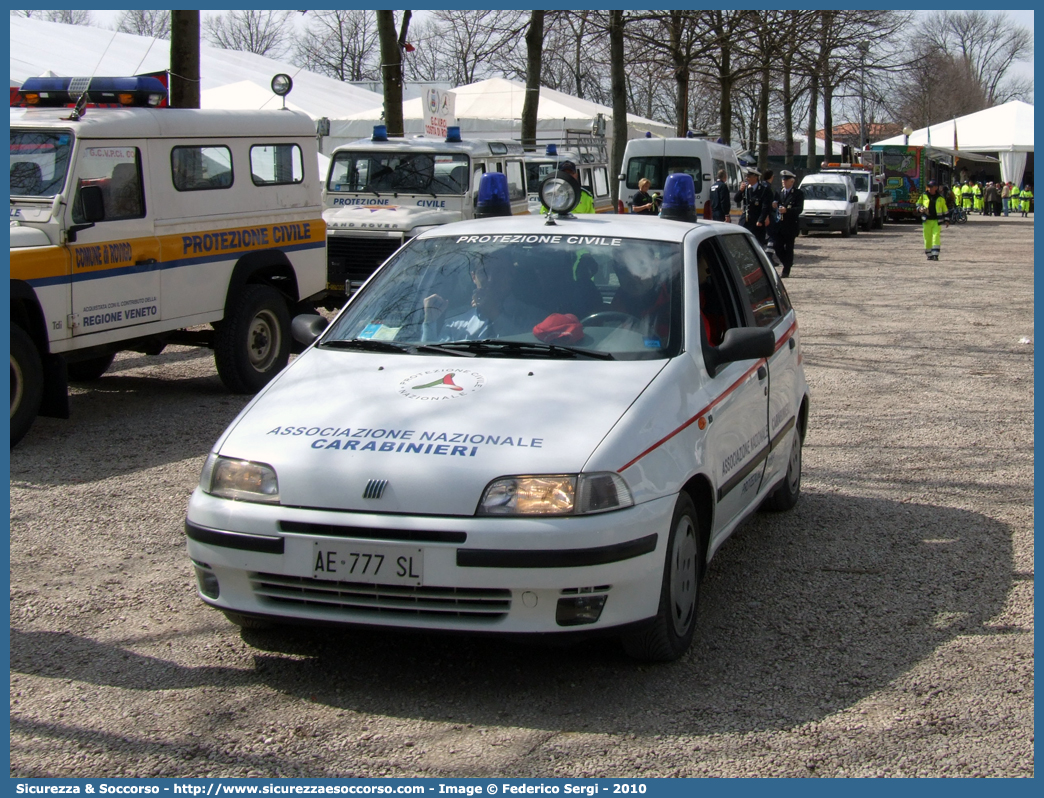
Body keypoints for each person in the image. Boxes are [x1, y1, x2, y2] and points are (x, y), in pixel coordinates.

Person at [422, 253, 543, 342]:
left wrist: (495, 315)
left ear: (511, 274)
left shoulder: (533, 318)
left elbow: (532, 347)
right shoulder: (456, 322)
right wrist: (430, 323)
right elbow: (430, 357)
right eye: (483, 272)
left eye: (499, 271)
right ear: (473, 278)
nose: (491, 279)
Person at [775, 170, 804, 278]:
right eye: (783, 180)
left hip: (791, 225)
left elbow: (799, 209)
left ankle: (786, 270)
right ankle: (787, 263)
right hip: (779, 225)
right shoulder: (779, 192)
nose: (783, 181)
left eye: (786, 180)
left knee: (789, 247)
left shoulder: (798, 193)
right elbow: (775, 203)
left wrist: (787, 210)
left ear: (791, 182)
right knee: (777, 247)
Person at [734, 168, 769, 245]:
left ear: (755, 177)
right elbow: (736, 199)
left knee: (757, 243)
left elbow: (765, 207)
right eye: (747, 176)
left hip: (756, 219)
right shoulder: (746, 188)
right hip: (746, 219)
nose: (747, 178)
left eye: (749, 176)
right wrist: (740, 190)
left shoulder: (763, 190)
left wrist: (761, 219)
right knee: (742, 241)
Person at [918, 180, 948, 261]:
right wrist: (920, 208)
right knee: (927, 238)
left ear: (936, 188)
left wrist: (946, 219)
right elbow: (918, 204)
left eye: (931, 187)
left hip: (936, 221)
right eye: (929, 187)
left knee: (936, 236)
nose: (929, 188)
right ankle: (929, 254)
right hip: (927, 220)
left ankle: (935, 254)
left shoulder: (940, 198)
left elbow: (945, 209)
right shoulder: (924, 196)